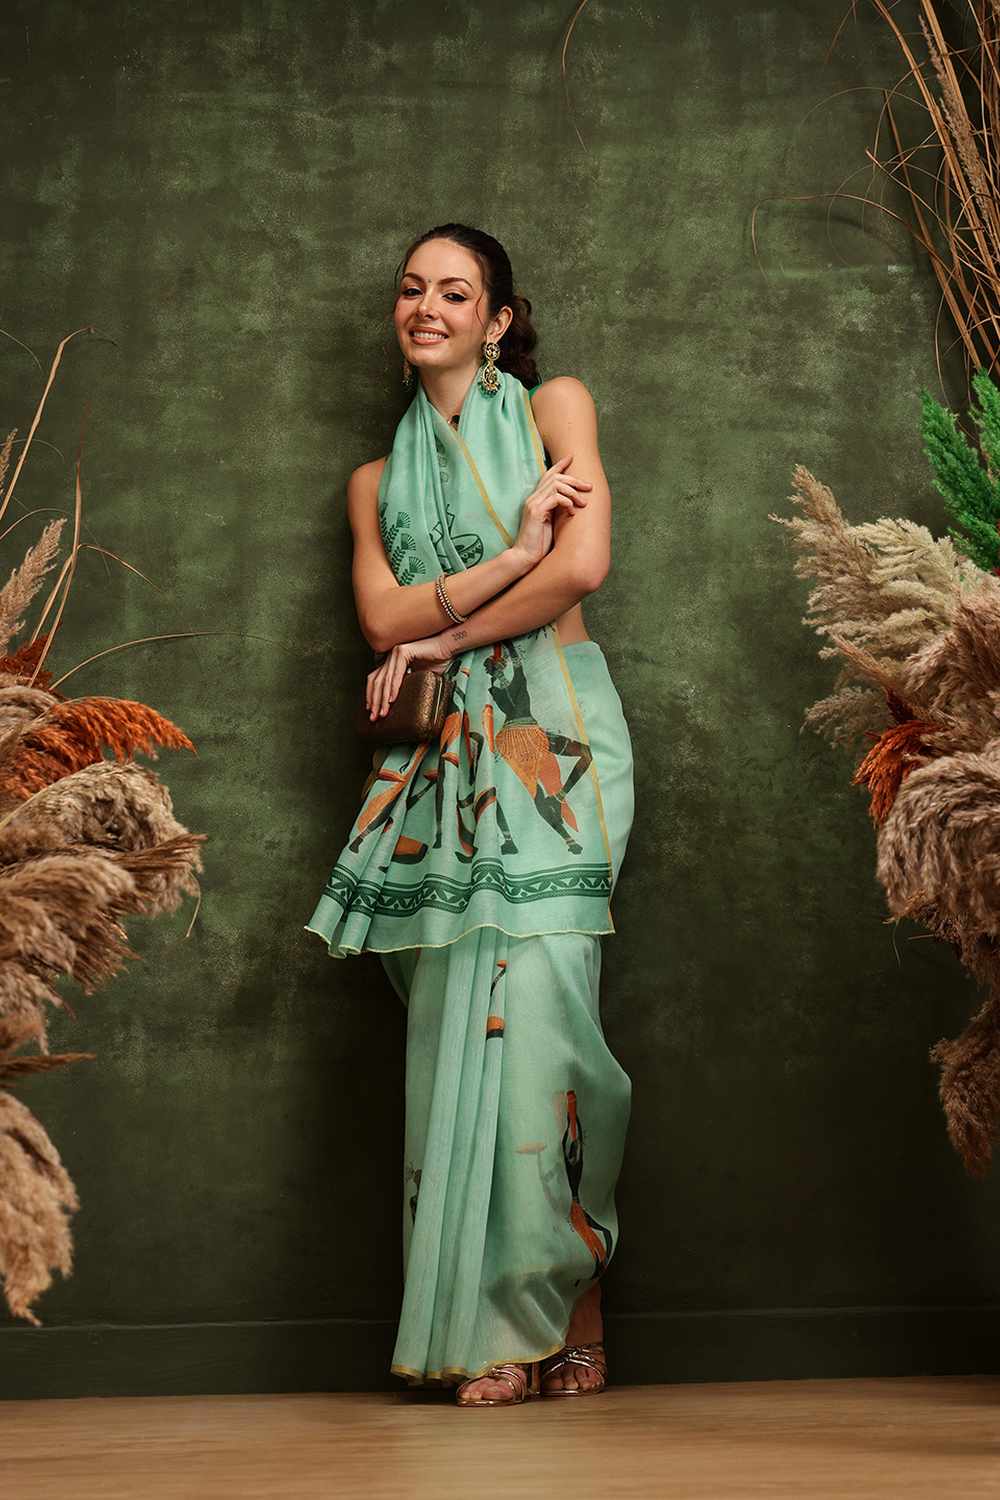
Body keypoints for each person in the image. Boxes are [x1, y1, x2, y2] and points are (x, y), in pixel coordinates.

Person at [305, 222, 634, 1407]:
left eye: (455, 293)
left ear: (497, 321)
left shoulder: (557, 410)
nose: (427, 307)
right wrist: (508, 558)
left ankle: (568, 1299)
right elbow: (381, 620)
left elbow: (579, 570)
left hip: (552, 745)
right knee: (458, 1029)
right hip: (435, 769)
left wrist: (445, 630)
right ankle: (488, 1330)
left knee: (545, 1022)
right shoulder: (373, 483)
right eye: (411, 289)